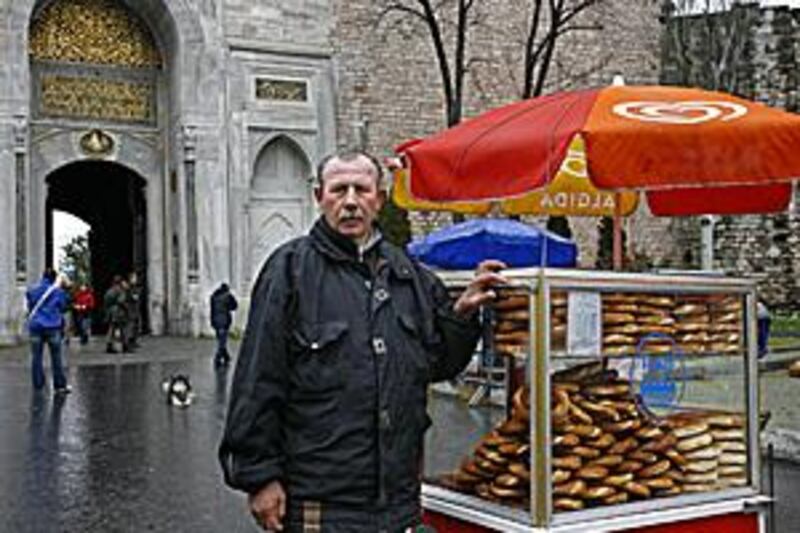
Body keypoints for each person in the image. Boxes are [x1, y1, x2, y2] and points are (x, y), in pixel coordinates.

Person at [218, 150, 506, 532]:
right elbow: (258, 377)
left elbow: (439, 364)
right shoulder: (290, 269)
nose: (350, 201)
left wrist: (463, 314)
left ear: (379, 199)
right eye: (339, 190)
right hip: (322, 501)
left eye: (361, 190)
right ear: (319, 196)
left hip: (397, 499)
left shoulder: (410, 276)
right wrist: (259, 477)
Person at [25, 268, 71, 393]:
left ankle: (38, 384)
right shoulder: (58, 292)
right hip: (52, 326)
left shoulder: (32, 290)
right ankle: (59, 385)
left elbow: (30, 306)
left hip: (35, 326)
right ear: (54, 278)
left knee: (36, 357)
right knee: (56, 357)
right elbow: (63, 307)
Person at [210, 282, 238, 367]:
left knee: (221, 340)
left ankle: (226, 357)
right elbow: (235, 306)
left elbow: (212, 310)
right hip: (224, 321)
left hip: (215, 321)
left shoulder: (214, 297)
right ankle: (217, 359)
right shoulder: (228, 296)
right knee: (222, 341)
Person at [104, 276, 129, 353]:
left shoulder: (109, 291)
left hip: (111, 312)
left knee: (111, 329)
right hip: (119, 312)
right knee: (123, 329)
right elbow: (121, 301)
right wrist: (126, 307)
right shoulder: (120, 290)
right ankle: (125, 346)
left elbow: (105, 301)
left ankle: (109, 345)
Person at [127, 271, 142, 349]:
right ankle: (129, 341)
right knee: (131, 326)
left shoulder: (135, 287)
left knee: (136, 325)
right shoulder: (129, 288)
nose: (135, 279)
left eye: (135, 278)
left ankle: (134, 341)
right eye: (133, 278)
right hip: (131, 309)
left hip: (136, 309)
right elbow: (133, 297)